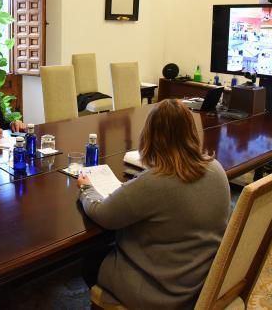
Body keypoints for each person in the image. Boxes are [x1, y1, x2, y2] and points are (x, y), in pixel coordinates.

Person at [77, 99, 230, 309]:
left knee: (90, 261)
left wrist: (86, 187)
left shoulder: (157, 181)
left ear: (150, 135)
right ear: (192, 132)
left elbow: (103, 214)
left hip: (161, 293)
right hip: (197, 283)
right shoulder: (217, 169)